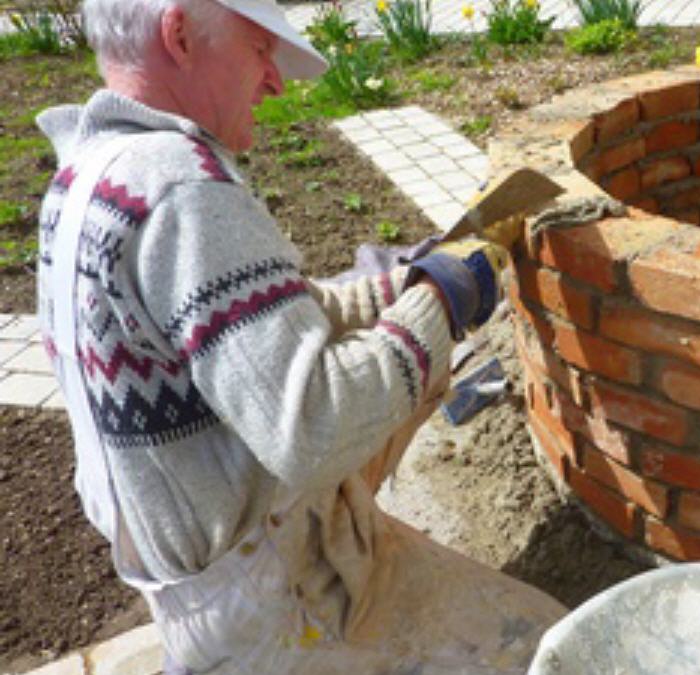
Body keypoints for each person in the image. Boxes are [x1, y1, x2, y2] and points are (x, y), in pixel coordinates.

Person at [35, 0, 566, 672]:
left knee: (418, 367)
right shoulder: (182, 189)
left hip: (201, 584)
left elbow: (267, 323)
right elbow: (313, 428)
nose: (275, 80)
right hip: (278, 601)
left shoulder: (90, 176)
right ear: (179, 34)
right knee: (550, 643)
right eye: (259, 48)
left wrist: (405, 284)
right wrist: (441, 303)